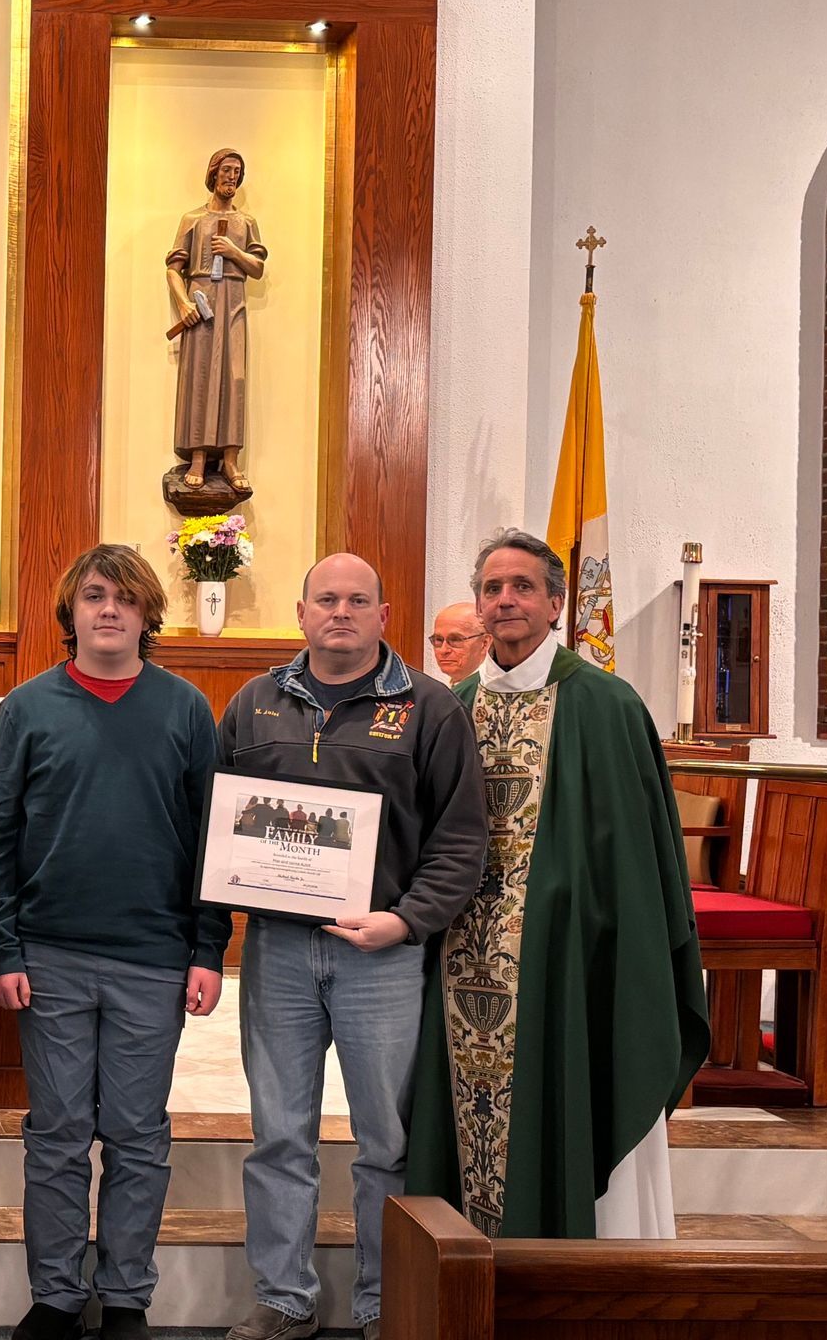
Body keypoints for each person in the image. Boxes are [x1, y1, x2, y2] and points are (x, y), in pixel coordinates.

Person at [408, 529, 710, 1239]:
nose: (505, 600)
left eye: (522, 587)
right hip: (461, 951)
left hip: (572, 954)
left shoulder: (606, 705)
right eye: (492, 588)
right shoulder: (453, 707)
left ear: (555, 603)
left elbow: (635, 858)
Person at [217, 553, 486, 1340]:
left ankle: (382, 1301)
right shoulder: (253, 703)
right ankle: (283, 1298)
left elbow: (461, 839)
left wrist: (406, 921)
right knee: (279, 1134)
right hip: (279, 949)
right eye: (327, 598)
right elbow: (216, 821)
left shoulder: (430, 708)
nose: (341, 611)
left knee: (387, 1141)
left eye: (358, 600)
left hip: (383, 953)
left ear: (383, 615)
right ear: (301, 613)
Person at [0, 543, 227, 1340]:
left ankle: (125, 1298)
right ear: (71, 611)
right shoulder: (28, 708)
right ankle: (56, 1297)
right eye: (94, 595)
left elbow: (212, 838)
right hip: (48, 953)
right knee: (56, 1137)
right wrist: (1, 949)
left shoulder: (185, 709)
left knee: (136, 1136)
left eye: (124, 597)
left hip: (152, 957)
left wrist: (208, 948)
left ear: (147, 612)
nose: (109, 609)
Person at [168, 149, 267, 490]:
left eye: (237, 171)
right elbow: (173, 268)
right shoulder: (193, 219)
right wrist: (183, 303)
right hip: (202, 300)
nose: (232, 177)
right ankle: (197, 456)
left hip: (233, 303)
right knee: (200, 376)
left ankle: (230, 459)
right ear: (213, 174)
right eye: (226, 170)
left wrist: (233, 251)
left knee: (234, 376)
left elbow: (257, 267)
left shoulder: (246, 223)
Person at [427, 600, 490, 685]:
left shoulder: (495, 688)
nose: (443, 650)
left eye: (455, 640)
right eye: (438, 639)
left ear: (484, 643)